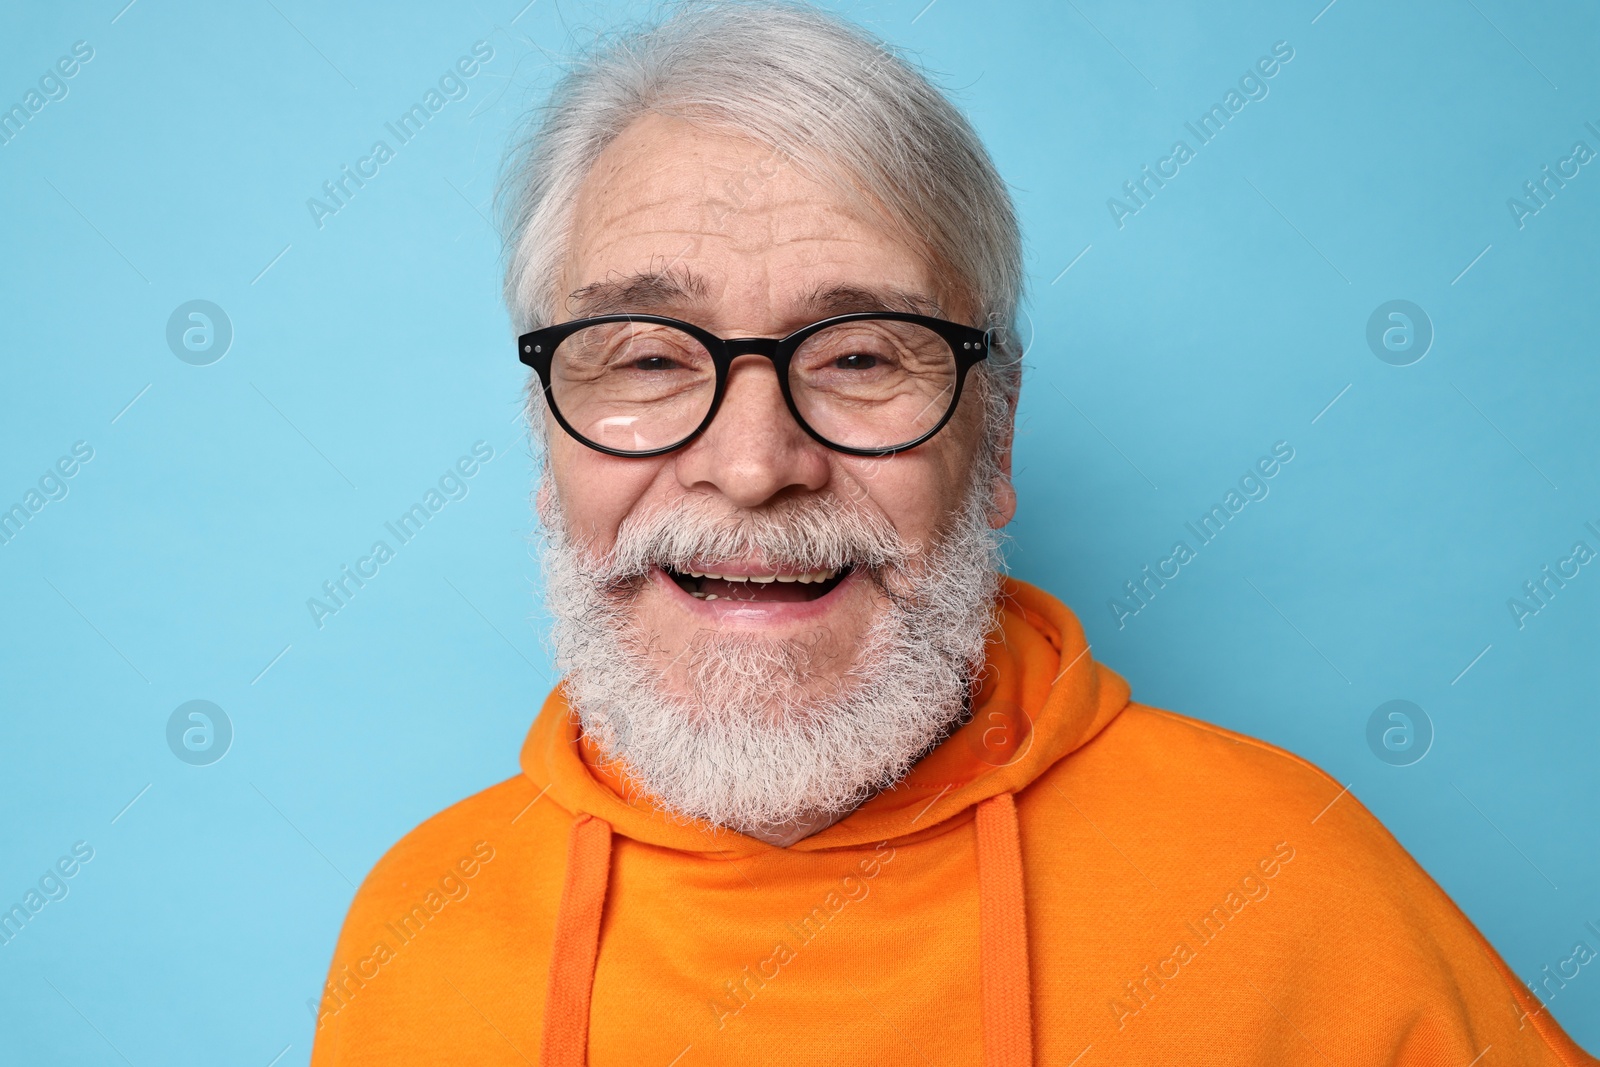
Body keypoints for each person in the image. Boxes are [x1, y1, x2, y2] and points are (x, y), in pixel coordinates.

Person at [310, 3, 1596, 1064]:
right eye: (645, 355)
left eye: (863, 352)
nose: (754, 465)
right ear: (549, 439)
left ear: (996, 438)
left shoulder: (1291, 885)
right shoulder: (410, 934)